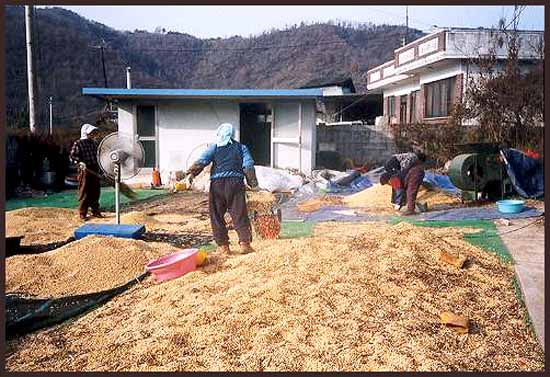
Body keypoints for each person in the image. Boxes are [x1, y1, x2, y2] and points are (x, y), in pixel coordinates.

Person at [186, 123, 258, 255]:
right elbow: (248, 166)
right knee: (239, 213)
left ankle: (223, 246)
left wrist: (191, 174)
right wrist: (253, 184)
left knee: (216, 215)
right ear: (233, 135)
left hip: (217, 185)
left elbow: (202, 161)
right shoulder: (242, 148)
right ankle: (244, 243)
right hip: (235, 184)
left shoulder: (214, 148)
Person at [70, 123, 102, 220]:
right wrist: (79, 162)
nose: (93, 134)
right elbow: (72, 156)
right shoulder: (78, 143)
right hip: (84, 170)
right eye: (91, 133)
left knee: (95, 191)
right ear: (85, 133)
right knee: (85, 191)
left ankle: (95, 211)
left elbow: (98, 156)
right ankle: (82, 213)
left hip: (94, 169)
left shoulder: (94, 143)